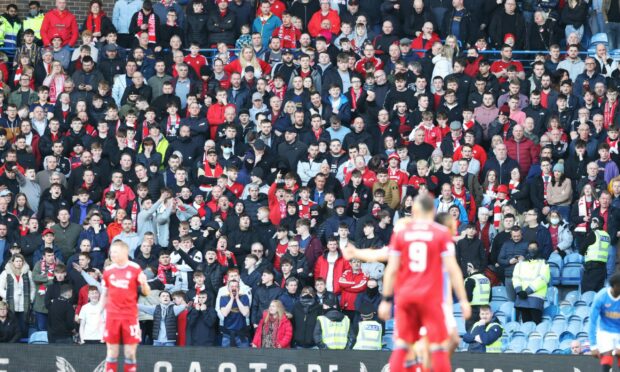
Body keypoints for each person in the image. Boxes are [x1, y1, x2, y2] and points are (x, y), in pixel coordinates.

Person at [380, 195, 471, 372]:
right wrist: (464, 300)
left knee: (402, 346)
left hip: (406, 296)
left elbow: (391, 269)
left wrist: (386, 299)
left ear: (414, 210)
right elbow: (453, 269)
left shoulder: (402, 233)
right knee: (437, 347)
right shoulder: (441, 233)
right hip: (430, 297)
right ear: (433, 210)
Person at [101, 240, 151, 372]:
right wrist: (98, 314)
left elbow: (146, 292)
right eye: (111, 252)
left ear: (125, 252)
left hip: (130, 316)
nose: (112, 255)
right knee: (112, 352)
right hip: (112, 316)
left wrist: (144, 284)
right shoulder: (108, 271)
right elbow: (104, 295)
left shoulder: (135, 268)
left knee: (129, 353)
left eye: (115, 252)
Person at [512, 242, 550, 324]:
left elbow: (543, 279)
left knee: (536, 324)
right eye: (530, 248)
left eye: (534, 248)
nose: (532, 250)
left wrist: (527, 291)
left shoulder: (543, 263)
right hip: (522, 297)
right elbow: (516, 277)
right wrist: (519, 291)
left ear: (538, 249)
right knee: (526, 324)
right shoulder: (520, 264)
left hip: (536, 298)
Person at [589, 273, 620, 371]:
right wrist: (593, 345)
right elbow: (592, 321)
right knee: (607, 354)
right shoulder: (601, 297)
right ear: (615, 285)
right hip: (605, 330)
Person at [580, 217, 611, 293]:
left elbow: (582, 248)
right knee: (598, 292)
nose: (591, 223)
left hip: (592, 267)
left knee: (587, 292)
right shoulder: (607, 235)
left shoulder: (594, 234)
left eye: (593, 222)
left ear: (597, 224)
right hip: (603, 268)